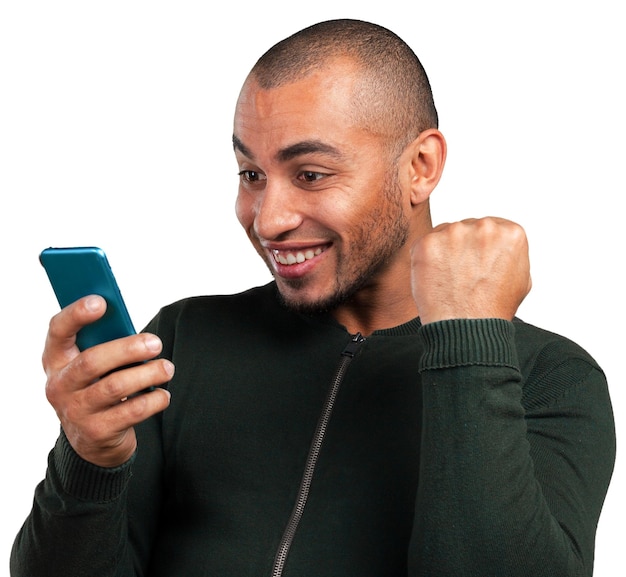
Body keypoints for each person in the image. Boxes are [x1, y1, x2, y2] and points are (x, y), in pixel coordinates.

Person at [11, 19, 615, 577]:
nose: (268, 219)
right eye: (251, 175)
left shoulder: (549, 378)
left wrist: (470, 345)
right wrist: (89, 461)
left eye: (311, 174)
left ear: (421, 167)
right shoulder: (183, 342)